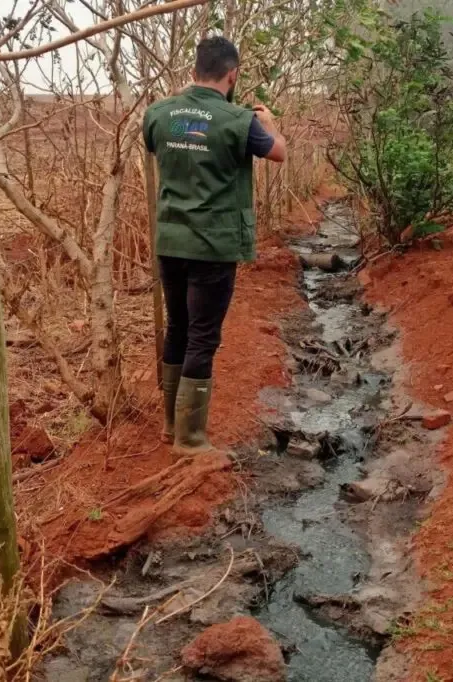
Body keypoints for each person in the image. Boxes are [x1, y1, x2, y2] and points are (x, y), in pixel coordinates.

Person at [142, 36, 287, 456]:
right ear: (233, 74)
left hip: (171, 240)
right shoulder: (240, 120)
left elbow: (157, 146)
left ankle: (172, 427)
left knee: (178, 328)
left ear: (193, 71)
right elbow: (279, 154)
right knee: (203, 335)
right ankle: (191, 440)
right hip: (213, 245)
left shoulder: (159, 113)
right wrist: (270, 123)